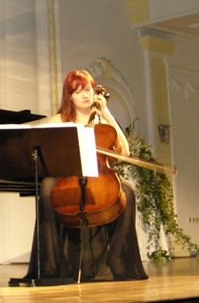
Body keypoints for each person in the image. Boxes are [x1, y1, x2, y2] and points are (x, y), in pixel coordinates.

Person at [25, 70, 148, 282]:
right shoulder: (58, 120)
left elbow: (125, 153)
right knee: (46, 186)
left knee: (127, 190)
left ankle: (117, 258)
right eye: (78, 91)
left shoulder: (102, 121)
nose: (85, 95)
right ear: (69, 96)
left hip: (98, 176)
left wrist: (107, 114)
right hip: (67, 177)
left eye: (88, 89)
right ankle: (49, 265)